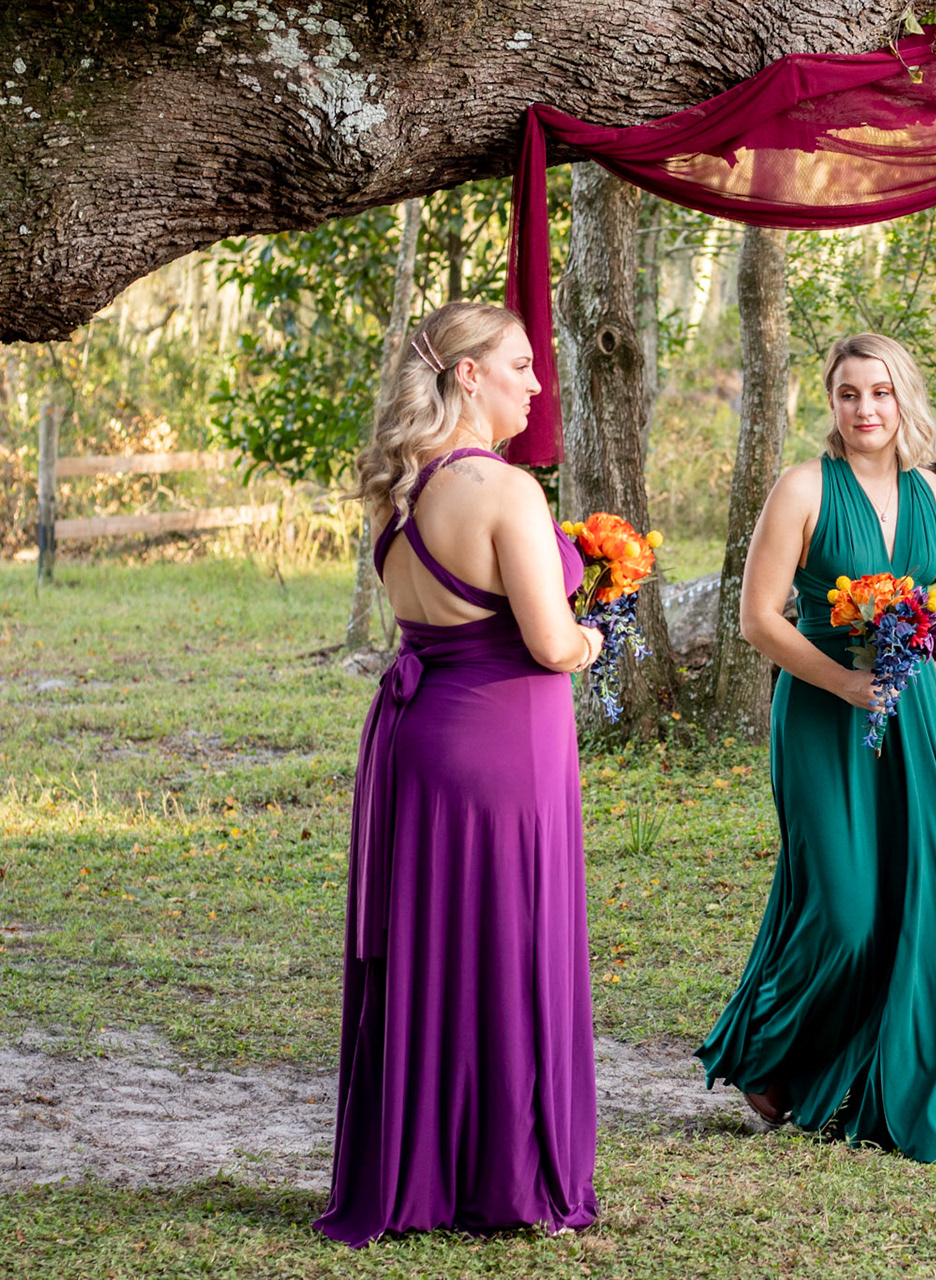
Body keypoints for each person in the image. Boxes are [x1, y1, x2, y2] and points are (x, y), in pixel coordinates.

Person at [697, 333, 936, 1164]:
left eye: (879, 392)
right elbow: (758, 619)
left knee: (914, 899)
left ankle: (890, 1082)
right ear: (832, 402)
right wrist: (843, 683)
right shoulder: (804, 488)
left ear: (903, 397)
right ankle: (767, 1052)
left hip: (909, 718)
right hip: (821, 713)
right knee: (842, 910)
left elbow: (919, 617)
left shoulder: (929, 492)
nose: (864, 409)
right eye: (848, 394)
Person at [317, 302, 603, 1246]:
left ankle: (421, 1172)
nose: (536, 383)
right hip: (502, 747)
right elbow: (551, 643)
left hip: (418, 738)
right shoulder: (505, 491)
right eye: (520, 365)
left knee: (433, 949)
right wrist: (597, 636)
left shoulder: (401, 487)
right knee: (511, 946)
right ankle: (506, 1178)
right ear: (469, 375)